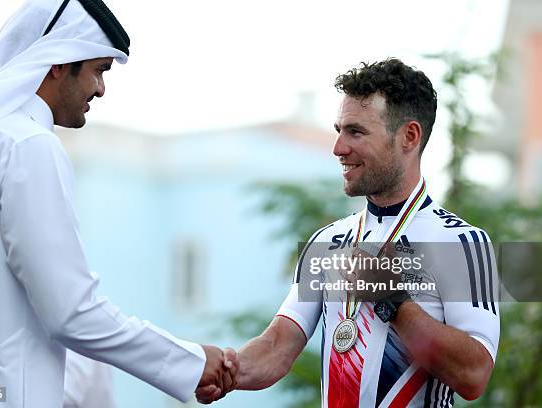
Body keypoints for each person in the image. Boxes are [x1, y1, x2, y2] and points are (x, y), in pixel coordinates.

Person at [0, 0, 237, 406]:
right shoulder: (28, 146)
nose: (100, 88)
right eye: (99, 70)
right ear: (59, 62)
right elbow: (71, 312)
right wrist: (192, 362)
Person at [196, 59, 500, 407]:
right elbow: (278, 347)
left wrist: (394, 302)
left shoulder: (461, 243)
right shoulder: (326, 242)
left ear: (409, 137)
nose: (338, 148)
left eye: (355, 132)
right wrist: (227, 371)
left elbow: (474, 375)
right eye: (339, 130)